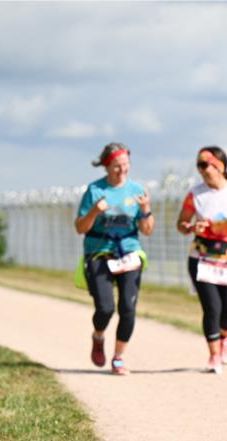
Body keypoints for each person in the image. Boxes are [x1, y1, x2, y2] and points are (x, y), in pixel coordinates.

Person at [74, 142, 154, 375]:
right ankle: (98, 336)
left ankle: (119, 357)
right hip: (99, 253)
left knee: (128, 307)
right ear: (107, 167)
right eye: (117, 166)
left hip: (129, 253)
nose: (122, 170)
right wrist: (94, 212)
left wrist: (146, 208)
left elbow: (147, 229)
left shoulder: (137, 190)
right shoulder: (95, 191)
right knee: (106, 308)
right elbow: (80, 228)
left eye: (125, 165)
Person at [176, 146, 227, 374]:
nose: (202, 169)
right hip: (201, 257)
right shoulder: (195, 194)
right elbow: (181, 224)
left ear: (219, 166)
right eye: (199, 165)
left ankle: (225, 336)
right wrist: (191, 226)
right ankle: (214, 355)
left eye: (205, 164)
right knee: (212, 307)